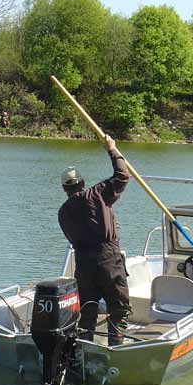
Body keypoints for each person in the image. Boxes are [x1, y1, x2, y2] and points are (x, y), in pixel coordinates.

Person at [58, 135, 132, 346]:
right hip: (108, 260)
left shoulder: (63, 212)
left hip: (83, 264)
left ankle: (84, 349)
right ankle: (115, 349)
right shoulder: (96, 194)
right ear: (82, 183)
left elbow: (73, 237)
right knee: (118, 309)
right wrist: (112, 150)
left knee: (87, 310)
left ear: (64, 188)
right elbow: (123, 175)